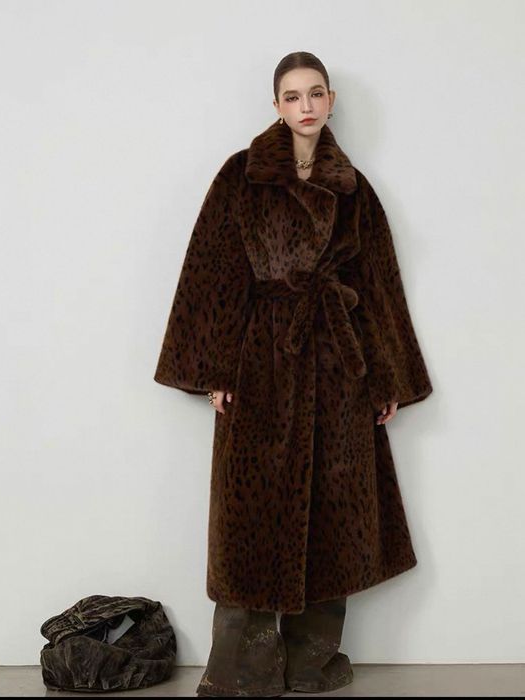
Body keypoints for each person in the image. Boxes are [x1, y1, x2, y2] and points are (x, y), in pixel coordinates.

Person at [154, 51, 433, 697]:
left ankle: (312, 662)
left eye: (315, 93)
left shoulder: (354, 188)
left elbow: (379, 285)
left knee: (334, 511)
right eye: (291, 95)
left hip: (337, 365)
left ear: (332, 100)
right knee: (249, 517)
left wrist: (387, 379)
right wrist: (214, 368)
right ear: (276, 106)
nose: (305, 106)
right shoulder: (241, 175)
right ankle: (242, 670)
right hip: (262, 362)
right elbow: (213, 271)